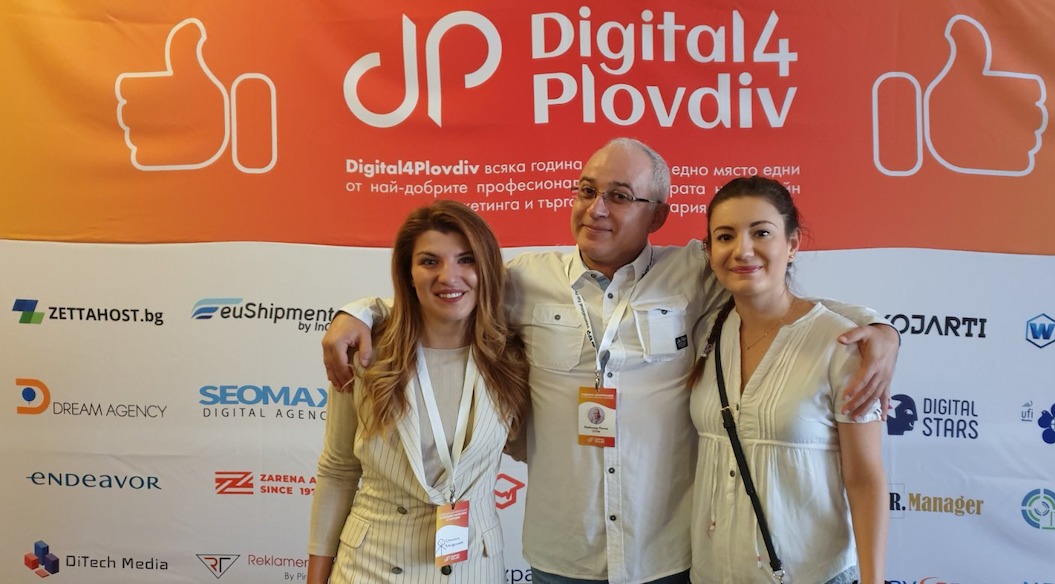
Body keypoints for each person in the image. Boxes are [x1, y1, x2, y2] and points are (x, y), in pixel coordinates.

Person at [322, 138, 899, 584]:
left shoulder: (695, 271)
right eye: (586, 191)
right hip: (563, 554)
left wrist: (879, 327)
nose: (596, 209)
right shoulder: (522, 281)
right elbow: (442, 294)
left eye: (620, 196)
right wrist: (361, 312)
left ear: (659, 214)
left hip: (665, 555)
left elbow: (774, 291)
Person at [307, 201, 529, 583]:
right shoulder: (366, 352)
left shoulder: (513, 358)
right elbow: (338, 471)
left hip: (473, 569)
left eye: (466, 260)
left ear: (488, 269)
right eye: (429, 261)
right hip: (371, 567)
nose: (449, 276)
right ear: (408, 273)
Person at [687, 176, 887, 584]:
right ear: (709, 252)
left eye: (761, 232)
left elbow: (864, 479)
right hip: (711, 574)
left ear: (792, 244)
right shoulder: (707, 332)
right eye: (725, 236)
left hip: (810, 574)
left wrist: (873, 580)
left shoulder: (841, 343)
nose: (743, 250)